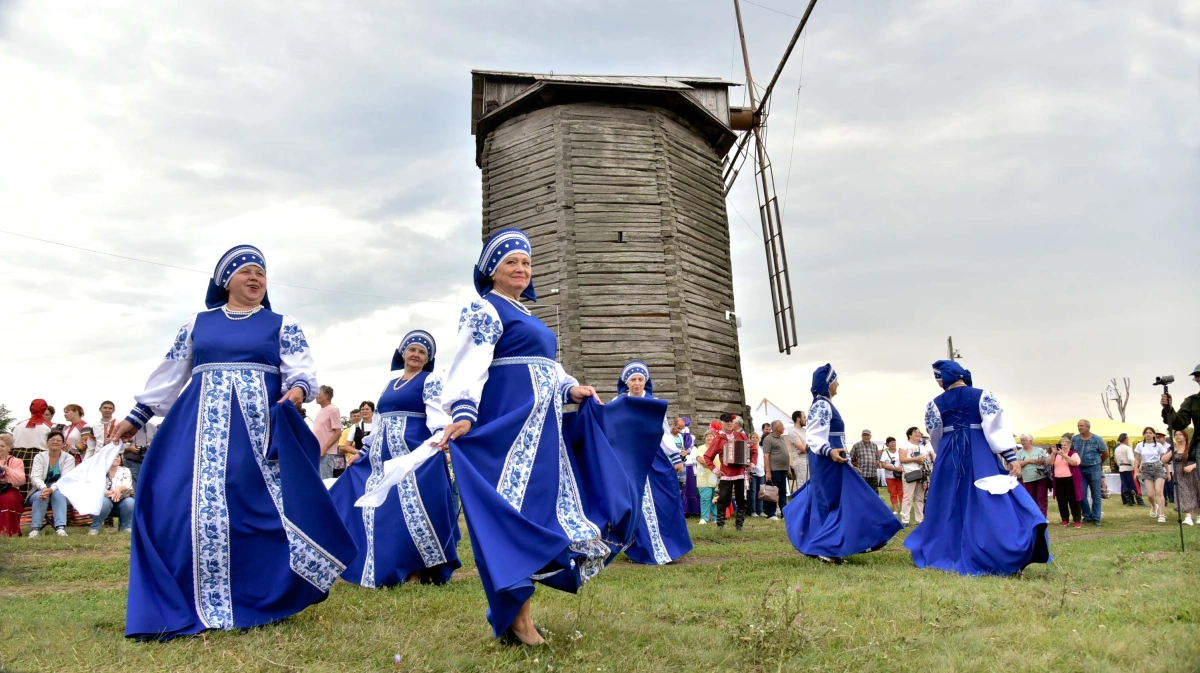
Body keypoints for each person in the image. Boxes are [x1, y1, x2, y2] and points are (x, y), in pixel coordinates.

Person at [422, 227, 664, 646]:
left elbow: (547, 368)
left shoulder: (527, 315)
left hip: (540, 433)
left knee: (534, 516)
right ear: (492, 272)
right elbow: (468, 363)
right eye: (511, 262)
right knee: (512, 517)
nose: (521, 268)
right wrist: (462, 412)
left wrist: (571, 388)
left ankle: (518, 615)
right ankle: (517, 620)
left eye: (526, 262)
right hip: (509, 429)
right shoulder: (485, 310)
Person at [103, 244, 356, 641]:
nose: (255, 278)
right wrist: (135, 418)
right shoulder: (197, 323)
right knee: (186, 507)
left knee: (256, 510)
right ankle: (188, 596)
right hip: (197, 431)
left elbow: (302, 372)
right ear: (225, 281)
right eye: (246, 272)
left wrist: (297, 393)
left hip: (256, 433)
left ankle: (261, 595)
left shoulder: (281, 323)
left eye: (261, 272)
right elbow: (170, 376)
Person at [328, 330, 461, 586]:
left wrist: (435, 445)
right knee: (380, 511)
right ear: (402, 353)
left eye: (423, 352)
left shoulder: (430, 380)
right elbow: (377, 426)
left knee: (415, 514)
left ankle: (417, 571)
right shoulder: (390, 384)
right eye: (412, 349)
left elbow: (437, 418)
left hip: (414, 457)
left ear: (427, 359)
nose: (416, 355)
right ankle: (378, 564)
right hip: (382, 458)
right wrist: (363, 453)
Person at [904, 360, 1050, 576]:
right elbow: (996, 428)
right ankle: (999, 549)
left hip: (949, 456)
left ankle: (948, 548)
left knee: (949, 502)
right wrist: (1010, 456)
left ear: (942, 379)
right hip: (979, 452)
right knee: (989, 500)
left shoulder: (934, 403)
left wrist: (945, 452)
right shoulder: (983, 395)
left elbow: (935, 435)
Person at [784, 365, 902, 564]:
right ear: (829, 383)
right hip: (828, 459)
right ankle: (828, 548)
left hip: (833, 458)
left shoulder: (825, 405)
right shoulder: (821, 405)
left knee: (837, 501)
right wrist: (829, 451)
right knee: (835, 501)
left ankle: (831, 547)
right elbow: (813, 437)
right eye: (836, 380)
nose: (838, 383)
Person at [612, 361, 693, 565]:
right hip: (629, 459)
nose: (637, 383)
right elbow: (610, 428)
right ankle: (641, 549)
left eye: (640, 379)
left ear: (645, 381)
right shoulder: (618, 403)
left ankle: (669, 544)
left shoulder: (654, 403)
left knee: (666, 497)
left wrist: (674, 457)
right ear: (626, 382)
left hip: (654, 457)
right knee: (635, 502)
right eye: (633, 380)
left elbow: (664, 432)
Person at [701, 413, 755, 532]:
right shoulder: (719, 439)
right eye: (726, 422)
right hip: (726, 474)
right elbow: (707, 456)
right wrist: (716, 470)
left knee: (742, 499)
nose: (729, 423)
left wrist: (752, 464)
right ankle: (720, 525)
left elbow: (754, 450)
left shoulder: (741, 436)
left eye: (731, 421)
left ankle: (739, 526)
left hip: (741, 473)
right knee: (723, 499)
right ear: (722, 424)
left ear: (734, 423)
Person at [27, 431, 75, 537]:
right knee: (40, 496)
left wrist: (52, 489)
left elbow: (65, 479)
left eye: (58, 440)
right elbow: (35, 477)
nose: (55, 442)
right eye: (52, 440)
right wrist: (44, 488)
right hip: (40, 489)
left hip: (61, 489)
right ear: (47, 443)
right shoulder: (39, 457)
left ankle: (60, 528)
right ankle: (35, 529)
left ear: (63, 444)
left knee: (59, 495)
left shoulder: (69, 458)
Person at [10, 399, 52, 501]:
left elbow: (13, 442)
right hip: (40, 455)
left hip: (18, 455)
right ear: (44, 409)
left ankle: (18, 501)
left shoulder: (19, 425)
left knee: (19, 479)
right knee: (36, 480)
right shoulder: (49, 427)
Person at [1071, 419, 1109, 526]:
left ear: (1088, 427)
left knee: (1096, 494)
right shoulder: (1075, 439)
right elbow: (1071, 451)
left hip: (1094, 468)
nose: (1079, 427)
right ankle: (1087, 516)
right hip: (1080, 469)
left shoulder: (1097, 439)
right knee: (1081, 494)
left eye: (1082, 425)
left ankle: (1097, 517)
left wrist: (1099, 462)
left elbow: (1105, 453)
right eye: (1078, 425)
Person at [88, 454, 135, 535]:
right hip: (103, 502)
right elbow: (97, 488)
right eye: (113, 456)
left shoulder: (125, 470)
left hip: (121, 501)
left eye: (118, 456)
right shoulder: (99, 471)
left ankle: (126, 528)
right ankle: (94, 528)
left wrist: (118, 489)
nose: (116, 458)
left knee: (130, 502)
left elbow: (127, 486)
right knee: (104, 501)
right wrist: (111, 493)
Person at [1134, 427, 1170, 522]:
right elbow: (1137, 459)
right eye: (1146, 433)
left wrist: (1168, 472)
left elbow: (1164, 459)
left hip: (1158, 467)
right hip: (1146, 468)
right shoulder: (1140, 445)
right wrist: (1136, 471)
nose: (1148, 434)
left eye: (1150, 433)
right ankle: (1154, 505)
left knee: (1159, 491)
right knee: (1150, 494)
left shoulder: (1158, 445)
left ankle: (1162, 515)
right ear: (1144, 434)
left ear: (1154, 435)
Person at [1050, 434, 1084, 527]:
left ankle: (1077, 520)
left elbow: (1074, 463)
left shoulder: (1073, 454)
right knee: (1061, 500)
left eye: (1065, 445)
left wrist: (1064, 455)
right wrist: (1053, 453)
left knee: (1073, 500)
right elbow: (1049, 463)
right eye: (1061, 445)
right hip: (1058, 479)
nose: (1063, 447)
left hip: (1071, 479)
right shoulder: (1056, 454)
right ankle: (1065, 519)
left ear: (1069, 445)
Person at [898, 427, 928, 527]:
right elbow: (902, 459)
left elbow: (925, 459)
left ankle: (919, 519)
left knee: (920, 497)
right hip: (910, 473)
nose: (918, 434)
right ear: (910, 434)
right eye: (916, 432)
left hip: (921, 473)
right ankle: (905, 520)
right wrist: (916, 459)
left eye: (919, 433)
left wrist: (921, 461)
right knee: (908, 497)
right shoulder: (904, 444)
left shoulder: (922, 447)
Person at [1014, 434, 1050, 517]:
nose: (1022, 442)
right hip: (1027, 478)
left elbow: (1046, 461)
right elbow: (1016, 463)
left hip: (1041, 477)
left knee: (1042, 497)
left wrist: (1041, 461)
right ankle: (1033, 516)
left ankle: (1042, 517)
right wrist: (1029, 461)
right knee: (1030, 498)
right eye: (1021, 440)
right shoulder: (1019, 452)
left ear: (1030, 441)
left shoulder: (1039, 450)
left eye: (1024, 440)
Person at [1168, 429, 1198, 525]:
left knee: (1197, 493)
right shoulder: (1173, 448)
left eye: (1180, 434)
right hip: (1180, 475)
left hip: (1193, 473)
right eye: (1176, 434)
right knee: (1185, 494)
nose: (1178, 436)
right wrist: (1174, 450)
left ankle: (1199, 515)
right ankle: (1188, 517)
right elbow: (1164, 460)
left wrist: (1192, 466)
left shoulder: (1192, 447)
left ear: (1185, 436)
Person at [312, 386, 342, 480]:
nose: (316, 396)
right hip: (318, 453)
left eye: (319, 394)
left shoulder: (333, 410)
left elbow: (338, 433)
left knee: (326, 482)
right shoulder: (321, 411)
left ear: (326, 396)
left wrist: (324, 449)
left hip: (326, 454)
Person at [762, 420, 791, 520]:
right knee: (772, 492)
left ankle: (784, 513)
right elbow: (766, 456)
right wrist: (768, 471)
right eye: (782, 426)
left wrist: (788, 468)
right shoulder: (768, 439)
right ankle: (771, 513)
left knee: (783, 492)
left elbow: (785, 454)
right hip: (774, 469)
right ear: (777, 428)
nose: (784, 428)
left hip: (783, 470)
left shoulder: (781, 438)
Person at [0, 433, 27, 536]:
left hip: (9, 490)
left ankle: (7, 532)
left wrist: (6, 469)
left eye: (2, 446)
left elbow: (21, 480)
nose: (0, 448)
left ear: (9, 448)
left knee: (7, 499)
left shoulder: (16, 461)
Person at [695, 431, 719, 524]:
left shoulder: (717, 448)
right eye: (707, 436)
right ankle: (704, 518)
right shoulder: (701, 448)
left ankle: (715, 518)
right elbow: (702, 461)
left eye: (711, 436)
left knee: (715, 498)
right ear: (705, 438)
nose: (709, 438)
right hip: (704, 477)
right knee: (705, 498)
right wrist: (714, 468)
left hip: (716, 477)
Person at [879, 436, 904, 515]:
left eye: (894, 442)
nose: (893, 443)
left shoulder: (900, 451)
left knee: (901, 492)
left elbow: (904, 460)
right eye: (891, 442)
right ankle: (896, 509)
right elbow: (883, 464)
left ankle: (903, 509)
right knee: (893, 493)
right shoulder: (885, 453)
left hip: (900, 475)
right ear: (887, 444)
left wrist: (900, 469)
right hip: (889, 476)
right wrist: (893, 468)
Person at [1113, 433, 1139, 506]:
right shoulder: (1127, 448)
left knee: (1125, 484)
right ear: (1125, 439)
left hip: (1121, 468)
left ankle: (1128, 501)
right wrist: (1135, 467)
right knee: (1133, 484)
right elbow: (1131, 458)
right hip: (1129, 468)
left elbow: (1117, 460)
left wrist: (1120, 466)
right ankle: (1136, 500)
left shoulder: (1117, 449)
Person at [788, 410, 808, 493]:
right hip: (801, 462)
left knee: (810, 486)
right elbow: (803, 448)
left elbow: (810, 445)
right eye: (804, 417)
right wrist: (805, 448)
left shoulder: (805, 431)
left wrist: (806, 448)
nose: (806, 419)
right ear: (798, 419)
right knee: (802, 486)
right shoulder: (793, 431)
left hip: (808, 461)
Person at [747, 432, 765, 517]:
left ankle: (760, 510)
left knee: (761, 492)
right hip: (753, 472)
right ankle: (753, 511)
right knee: (753, 492)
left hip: (761, 472)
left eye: (756, 437)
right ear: (750, 439)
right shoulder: (748, 449)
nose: (754, 439)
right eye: (753, 437)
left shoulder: (762, 449)